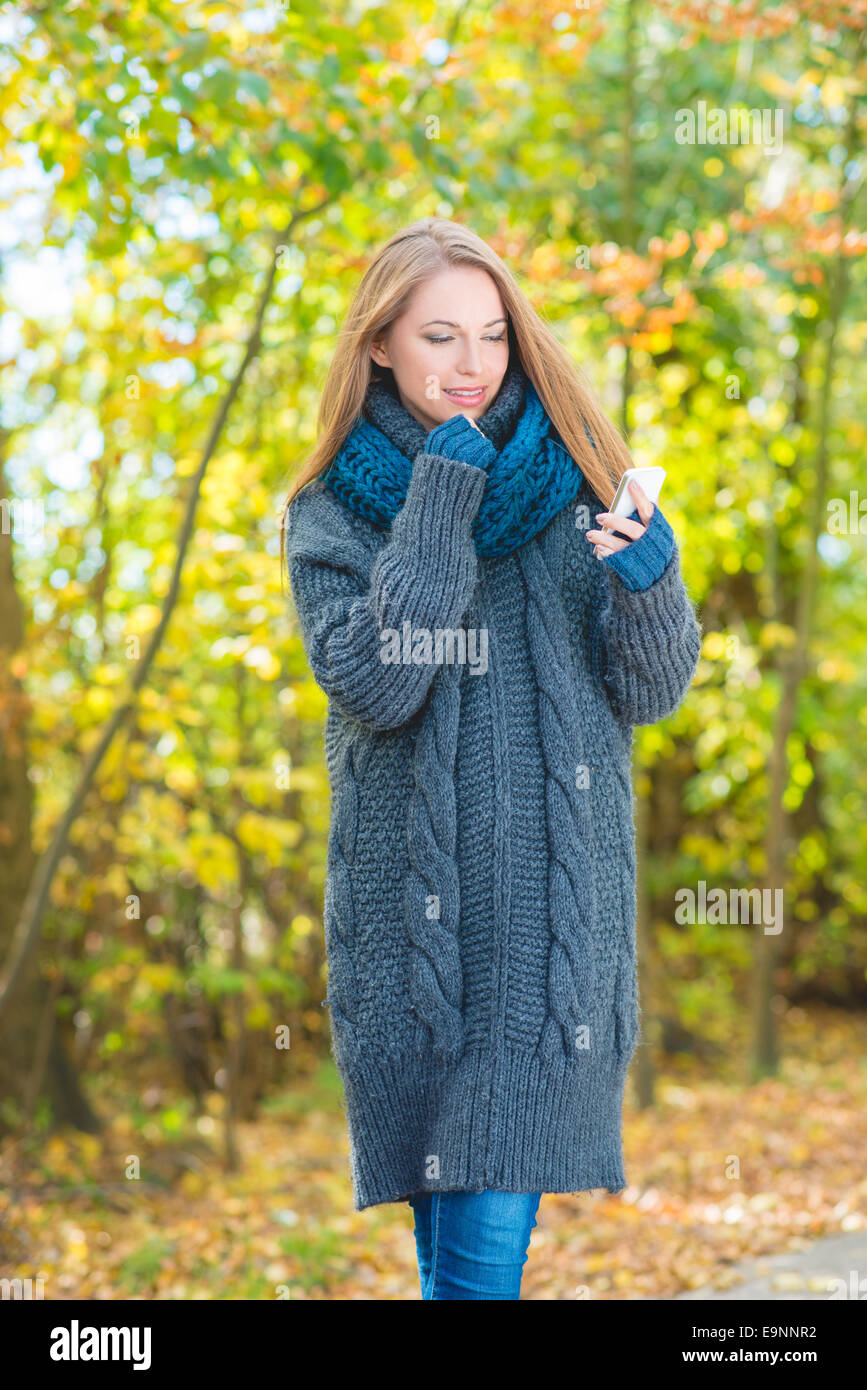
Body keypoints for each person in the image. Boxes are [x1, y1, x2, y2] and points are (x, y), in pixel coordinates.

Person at [280, 217, 702, 1300]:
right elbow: (380, 681)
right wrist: (441, 499)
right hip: (406, 948)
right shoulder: (328, 511)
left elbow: (650, 688)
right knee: (453, 1279)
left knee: (475, 1281)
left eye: (492, 337)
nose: (472, 365)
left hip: (541, 939)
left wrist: (651, 579)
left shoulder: (574, 479)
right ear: (379, 344)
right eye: (438, 338)